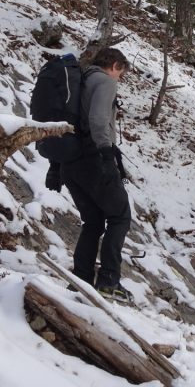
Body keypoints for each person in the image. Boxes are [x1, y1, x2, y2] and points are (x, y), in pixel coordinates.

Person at [61, 47, 132, 301]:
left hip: (71, 162)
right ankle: (108, 281)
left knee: (93, 221)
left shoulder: (83, 79)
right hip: (95, 159)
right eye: (120, 73)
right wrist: (106, 153)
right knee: (120, 216)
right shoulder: (104, 81)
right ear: (114, 65)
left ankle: (80, 279)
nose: (118, 78)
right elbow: (99, 119)